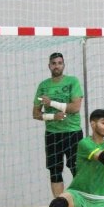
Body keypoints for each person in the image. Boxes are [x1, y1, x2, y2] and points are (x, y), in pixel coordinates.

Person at [33, 52, 84, 197]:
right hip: (52, 134)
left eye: (59, 63)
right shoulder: (43, 86)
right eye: (54, 63)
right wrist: (53, 116)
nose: (57, 66)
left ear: (63, 65)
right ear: (49, 66)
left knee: (77, 169)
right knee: (55, 171)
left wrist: (52, 103)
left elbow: (75, 107)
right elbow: (36, 114)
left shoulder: (72, 82)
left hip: (72, 132)